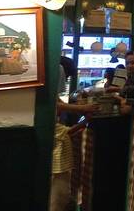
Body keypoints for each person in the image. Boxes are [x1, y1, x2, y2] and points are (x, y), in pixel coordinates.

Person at [51, 57, 98, 211]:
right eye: (66, 77)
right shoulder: (56, 71)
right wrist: (83, 110)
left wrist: (80, 109)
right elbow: (55, 104)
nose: (65, 80)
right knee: (58, 196)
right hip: (58, 165)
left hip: (58, 163)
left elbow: (58, 103)